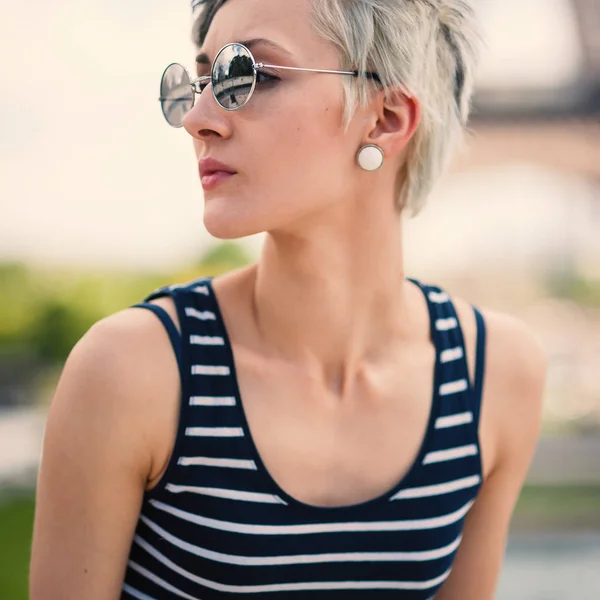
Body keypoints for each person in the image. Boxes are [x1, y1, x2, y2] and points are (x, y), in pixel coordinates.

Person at [29, 0, 547, 598]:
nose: (197, 117)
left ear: (384, 119)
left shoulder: (498, 375)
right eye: (199, 81)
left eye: (250, 75)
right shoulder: (131, 371)